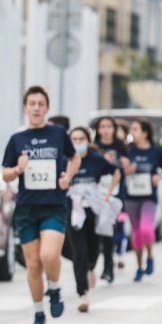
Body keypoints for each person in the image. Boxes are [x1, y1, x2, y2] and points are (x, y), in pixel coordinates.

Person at [2, 86, 80, 324]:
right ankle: (38, 313)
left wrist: (68, 175)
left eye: (40, 104)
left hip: (53, 205)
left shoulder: (57, 133)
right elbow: (4, 173)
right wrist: (17, 170)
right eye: (32, 103)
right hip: (26, 208)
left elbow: (74, 157)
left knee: (48, 256)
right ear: (25, 108)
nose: (36, 107)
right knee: (33, 264)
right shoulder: (17, 140)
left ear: (47, 109)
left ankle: (55, 287)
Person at [66, 127, 121, 312]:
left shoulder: (96, 159)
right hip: (73, 209)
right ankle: (82, 294)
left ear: (88, 141)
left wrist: (107, 194)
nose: (77, 142)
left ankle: (91, 268)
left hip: (94, 209)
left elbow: (116, 172)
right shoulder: (65, 158)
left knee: (92, 248)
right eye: (73, 139)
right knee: (78, 252)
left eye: (81, 139)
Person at [120, 118, 162, 281]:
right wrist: (127, 169)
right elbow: (121, 169)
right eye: (131, 129)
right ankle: (139, 265)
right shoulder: (128, 151)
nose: (131, 132)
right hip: (131, 196)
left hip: (149, 196)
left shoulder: (156, 151)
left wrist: (159, 176)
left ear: (145, 133)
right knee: (136, 233)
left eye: (135, 129)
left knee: (146, 229)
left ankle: (150, 256)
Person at [93, 116, 128, 282]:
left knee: (110, 229)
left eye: (109, 126)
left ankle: (108, 266)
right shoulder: (94, 146)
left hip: (114, 193)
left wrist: (122, 163)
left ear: (114, 129)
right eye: (102, 127)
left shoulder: (121, 147)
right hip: (96, 192)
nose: (106, 130)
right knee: (95, 230)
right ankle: (94, 263)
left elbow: (127, 167)